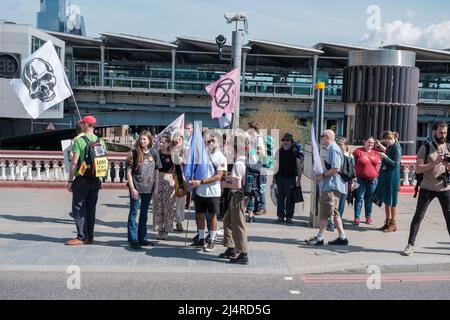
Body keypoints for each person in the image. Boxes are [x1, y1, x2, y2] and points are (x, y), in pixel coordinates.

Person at [404, 122, 450, 256]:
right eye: (441, 132)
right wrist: (434, 163)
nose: (443, 135)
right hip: (427, 187)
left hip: (444, 187)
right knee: (418, 216)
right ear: (434, 132)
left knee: (449, 217)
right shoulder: (425, 147)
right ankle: (410, 245)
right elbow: (418, 168)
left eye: (445, 133)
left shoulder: (448, 147)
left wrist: (447, 166)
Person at [66, 115, 106, 245]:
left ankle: (82, 237)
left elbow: (74, 162)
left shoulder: (79, 141)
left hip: (82, 179)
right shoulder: (100, 140)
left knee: (78, 208)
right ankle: (90, 236)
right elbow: (102, 161)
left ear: (87, 125)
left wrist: (70, 180)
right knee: (91, 209)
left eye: (83, 123)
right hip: (95, 179)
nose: (81, 125)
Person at [306, 130, 349, 246]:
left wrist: (322, 175)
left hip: (331, 186)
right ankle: (342, 237)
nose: (320, 139)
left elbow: (336, 168)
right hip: (333, 185)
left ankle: (320, 238)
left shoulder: (333, 149)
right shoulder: (332, 149)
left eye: (322, 136)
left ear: (327, 137)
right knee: (335, 213)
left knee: (325, 212)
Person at [189, 133, 227, 252]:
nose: (209, 143)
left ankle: (211, 239)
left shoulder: (221, 157)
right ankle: (201, 238)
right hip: (199, 190)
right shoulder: (200, 155)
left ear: (216, 142)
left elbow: (218, 176)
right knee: (199, 214)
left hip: (213, 192)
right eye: (207, 141)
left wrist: (201, 181)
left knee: (212, 216)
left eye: (211, 141)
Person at [126, 130, 162, 250]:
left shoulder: (154, 153)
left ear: (149, 140)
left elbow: (157, 171)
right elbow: (129, 172)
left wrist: (156, 188)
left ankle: (143, 238)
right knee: (133, 213)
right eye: (141, 139)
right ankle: (133, 239)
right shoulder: (134, 153)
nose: (142, 141)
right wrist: (132, 189)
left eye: (144, 139)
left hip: (148, 188)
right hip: (136, 187)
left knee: (144, 214)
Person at [220, 132, 250, 265]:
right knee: (227, 220)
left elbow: (237, 184)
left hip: (238, 195)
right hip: (240, 195)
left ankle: (243, 253)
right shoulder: (246, 160)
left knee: (238, 224)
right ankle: (231, 247)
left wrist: (224, 184)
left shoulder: (238, 163)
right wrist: (228, 179)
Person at [153, 135, 181, 240]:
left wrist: (181, 186)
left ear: (169, 143)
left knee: (168, 207)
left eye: (164, 142)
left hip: (169, 182)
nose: (161, 144)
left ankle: (167, 229)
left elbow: (178, 170)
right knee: (158, 206)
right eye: (160, 142)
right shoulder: (157, 154)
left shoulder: (174, 155)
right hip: (158, 181)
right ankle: (159, 229)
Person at [374, 131, 402, 232]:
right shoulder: (390, 146)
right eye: (386, 140)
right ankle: (387, 222)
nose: (387, 141)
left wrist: (384, 157)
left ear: (394, 138)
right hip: (387, 175)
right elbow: (387, 151)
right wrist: (381, 146)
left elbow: (395, 164)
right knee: (386, 199)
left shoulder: (397, 147)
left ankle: (393, 223)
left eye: (389, 139)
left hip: (393, 177)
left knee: (392, 200)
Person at [273, 133, 302, 224]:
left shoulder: (295, 152)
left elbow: (299, 167)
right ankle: (280, 216)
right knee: (280, 198)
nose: (285, 142)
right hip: (279, 178)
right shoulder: (278, 151)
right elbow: (275, 165)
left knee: (290, 199)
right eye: (284, 140)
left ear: (291, 141)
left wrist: (299, 180)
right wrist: (273, 179)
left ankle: (289, 217)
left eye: (288, 140)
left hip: (290, 178)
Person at [327, 137, 355, 231]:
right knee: (333, 202)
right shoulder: (336, 154)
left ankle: (338, 220)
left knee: (342, 203)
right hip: (335, 182)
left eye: (341, 144)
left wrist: (353, 182)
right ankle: (330, 221)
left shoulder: (350, 156)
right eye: (338, 144)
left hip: (345, 182)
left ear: (346, 146)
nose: (339, 146)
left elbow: (353, 171)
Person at [352, 137, 381, 226]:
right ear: (364, 142)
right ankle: (357, 217)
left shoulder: (376, 152)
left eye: (372, 143)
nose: (370, 144)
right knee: (359, 198)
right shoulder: (358, 151)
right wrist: (353, 177)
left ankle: (368, 216)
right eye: (368, 142)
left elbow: (380, 163)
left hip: (373, 180)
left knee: (369, 199)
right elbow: (351, 162)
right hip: (361, 180)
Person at [247, 121, 267, 218]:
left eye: (249, 128)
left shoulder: (258, 138)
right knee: (252, 187)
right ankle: (254, 207)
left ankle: (262, 207)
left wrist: (250, 149)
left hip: (258, 165)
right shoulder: (251, 138)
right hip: (252, 164)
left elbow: (261, 152)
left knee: (260, 187)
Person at [172, 133, 187, 232]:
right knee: (169, 201)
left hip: (183, 178)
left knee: (181, 202)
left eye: (179, 140)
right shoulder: (171, 152)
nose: (178, 142)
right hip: (171, 177)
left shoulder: (186, 152)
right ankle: (166, 221)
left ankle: (179, 222)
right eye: (175, 141)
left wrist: (184, 161)